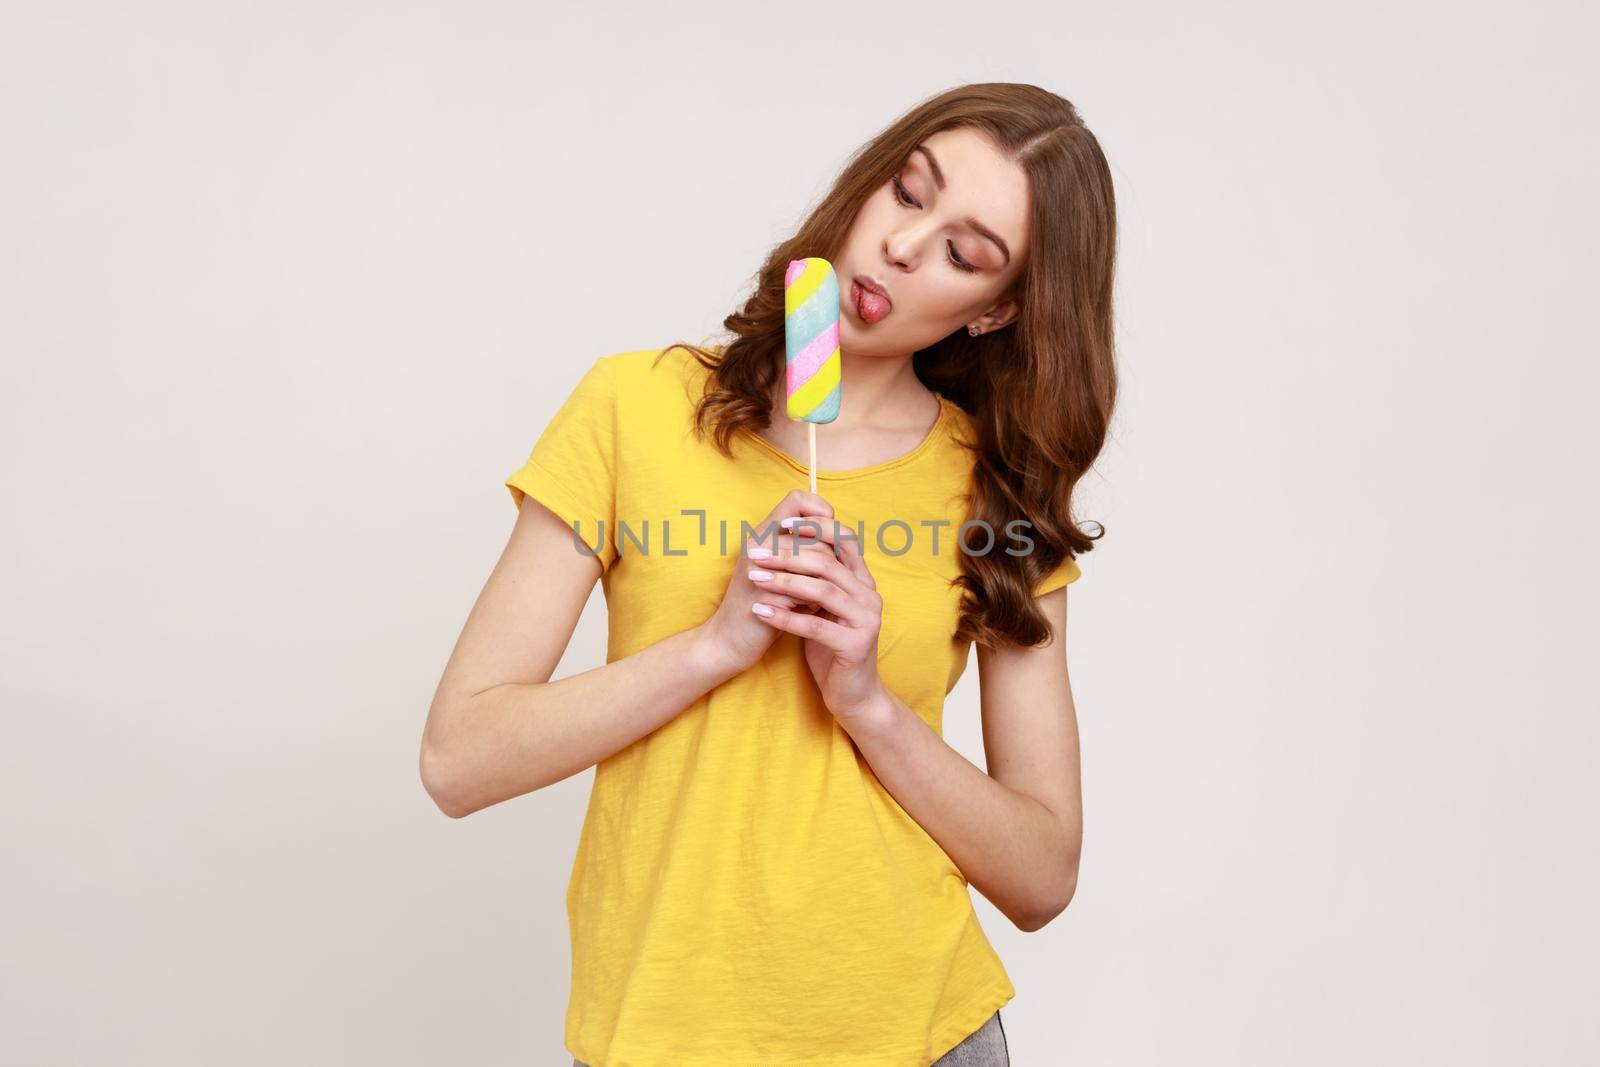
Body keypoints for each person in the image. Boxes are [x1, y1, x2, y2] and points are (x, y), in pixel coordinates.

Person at [419, 82, 1117, 1066]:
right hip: (661, 1032)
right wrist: (713, 646)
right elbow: (458, 758)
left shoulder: (995, 495)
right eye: (908, 193)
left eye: (964, 254)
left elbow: (1042, 875)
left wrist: (867, 698)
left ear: (996, 307)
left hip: (915, 1035)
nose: (905, 248)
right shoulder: (636, 406)